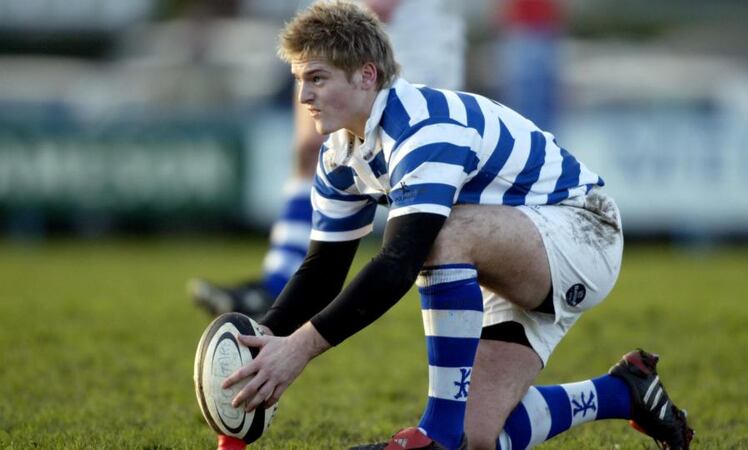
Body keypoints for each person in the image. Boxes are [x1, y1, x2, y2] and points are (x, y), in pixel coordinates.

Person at [221, 1, 694, 449]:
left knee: (440, 235)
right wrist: (260, 346)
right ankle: (624, 392)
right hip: (508, 250)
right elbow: (324, 270)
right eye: (300, 79)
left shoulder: (425, 128)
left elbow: (398, 263)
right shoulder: (339, 154)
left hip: (582, 233)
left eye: (317, 79)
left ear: (367, 75)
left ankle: (436, 433)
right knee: (480, 439)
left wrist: (299, 350)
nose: (303, 96)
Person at [188, 0, 465, 319]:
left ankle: (471, 284)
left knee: (414, 154)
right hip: (340, 14)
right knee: (310, 147)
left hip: (412, 30)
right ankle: (277, 285)